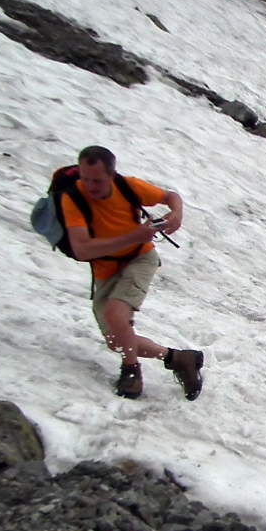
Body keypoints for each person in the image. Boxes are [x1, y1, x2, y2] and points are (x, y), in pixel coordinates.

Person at [61, 146, 204, 400]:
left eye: (97, 180)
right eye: (85, 178)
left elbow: (171, 196)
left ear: (112, 175)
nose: (90, 186)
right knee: (116, 341)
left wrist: (176, 214)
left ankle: (131, 370)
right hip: (106, 269)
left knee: (116, 315)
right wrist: (134, 235)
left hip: (139, 258)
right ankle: (179, 358)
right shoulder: (74, 199)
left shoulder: (127, 187)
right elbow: (82, 250)